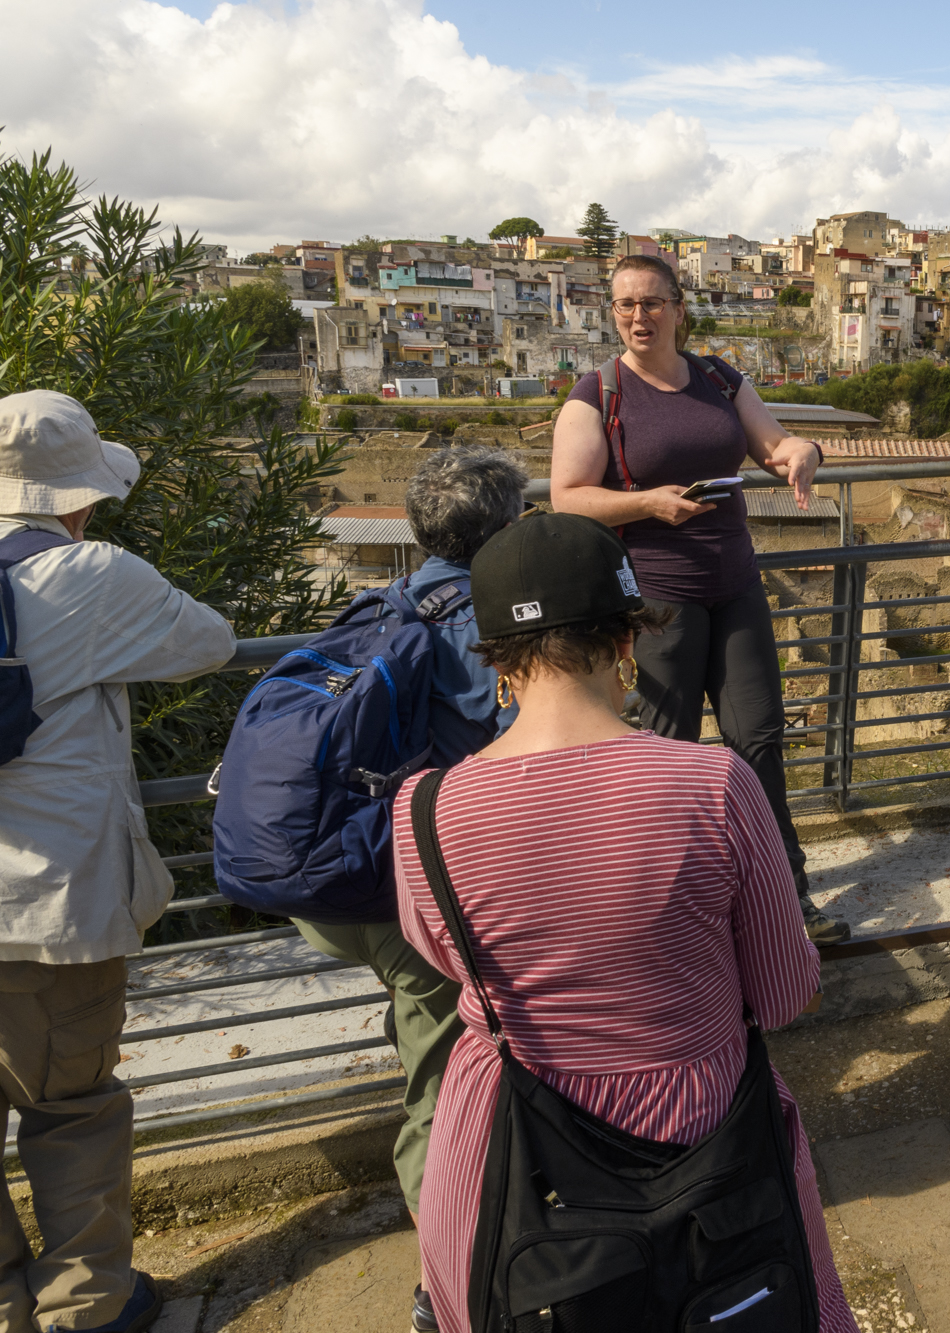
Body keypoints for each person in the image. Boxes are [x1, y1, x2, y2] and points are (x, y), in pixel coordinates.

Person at [391, 512, 856, 1333]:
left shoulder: (427, 810)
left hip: (510, 1147)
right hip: (705, 1127)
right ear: (626, 640)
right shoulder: (714, 784)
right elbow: (787, 993)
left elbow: (445, 958)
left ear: (498, 662)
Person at [0, 390, 235, 1333]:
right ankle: (86, 1304)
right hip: (45, 909)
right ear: (79, 493)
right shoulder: (86, 572)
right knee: (73, 1109)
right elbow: (211, 640)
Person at [290, 445, 525, 1333]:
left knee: (435, 1042)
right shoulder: (476, 622)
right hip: (403, 895)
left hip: (339, 884)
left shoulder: (387, 601)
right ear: (502, 530)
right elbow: (526, 749)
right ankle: (447, 1282)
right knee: (442, 1085)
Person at [549, 253, 848, 944]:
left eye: (652, 302)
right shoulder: (596, 394)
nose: (637, 315)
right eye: (624, 304)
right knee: (664, 751)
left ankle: (785, 897)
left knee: (760, 742)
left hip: (736, 585)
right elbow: (568, 496)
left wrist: (805, 453)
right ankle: (668, 911)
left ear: (680, 308)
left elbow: (774, 444)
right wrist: (647, 503)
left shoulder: (718, 377)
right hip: (657, 598)